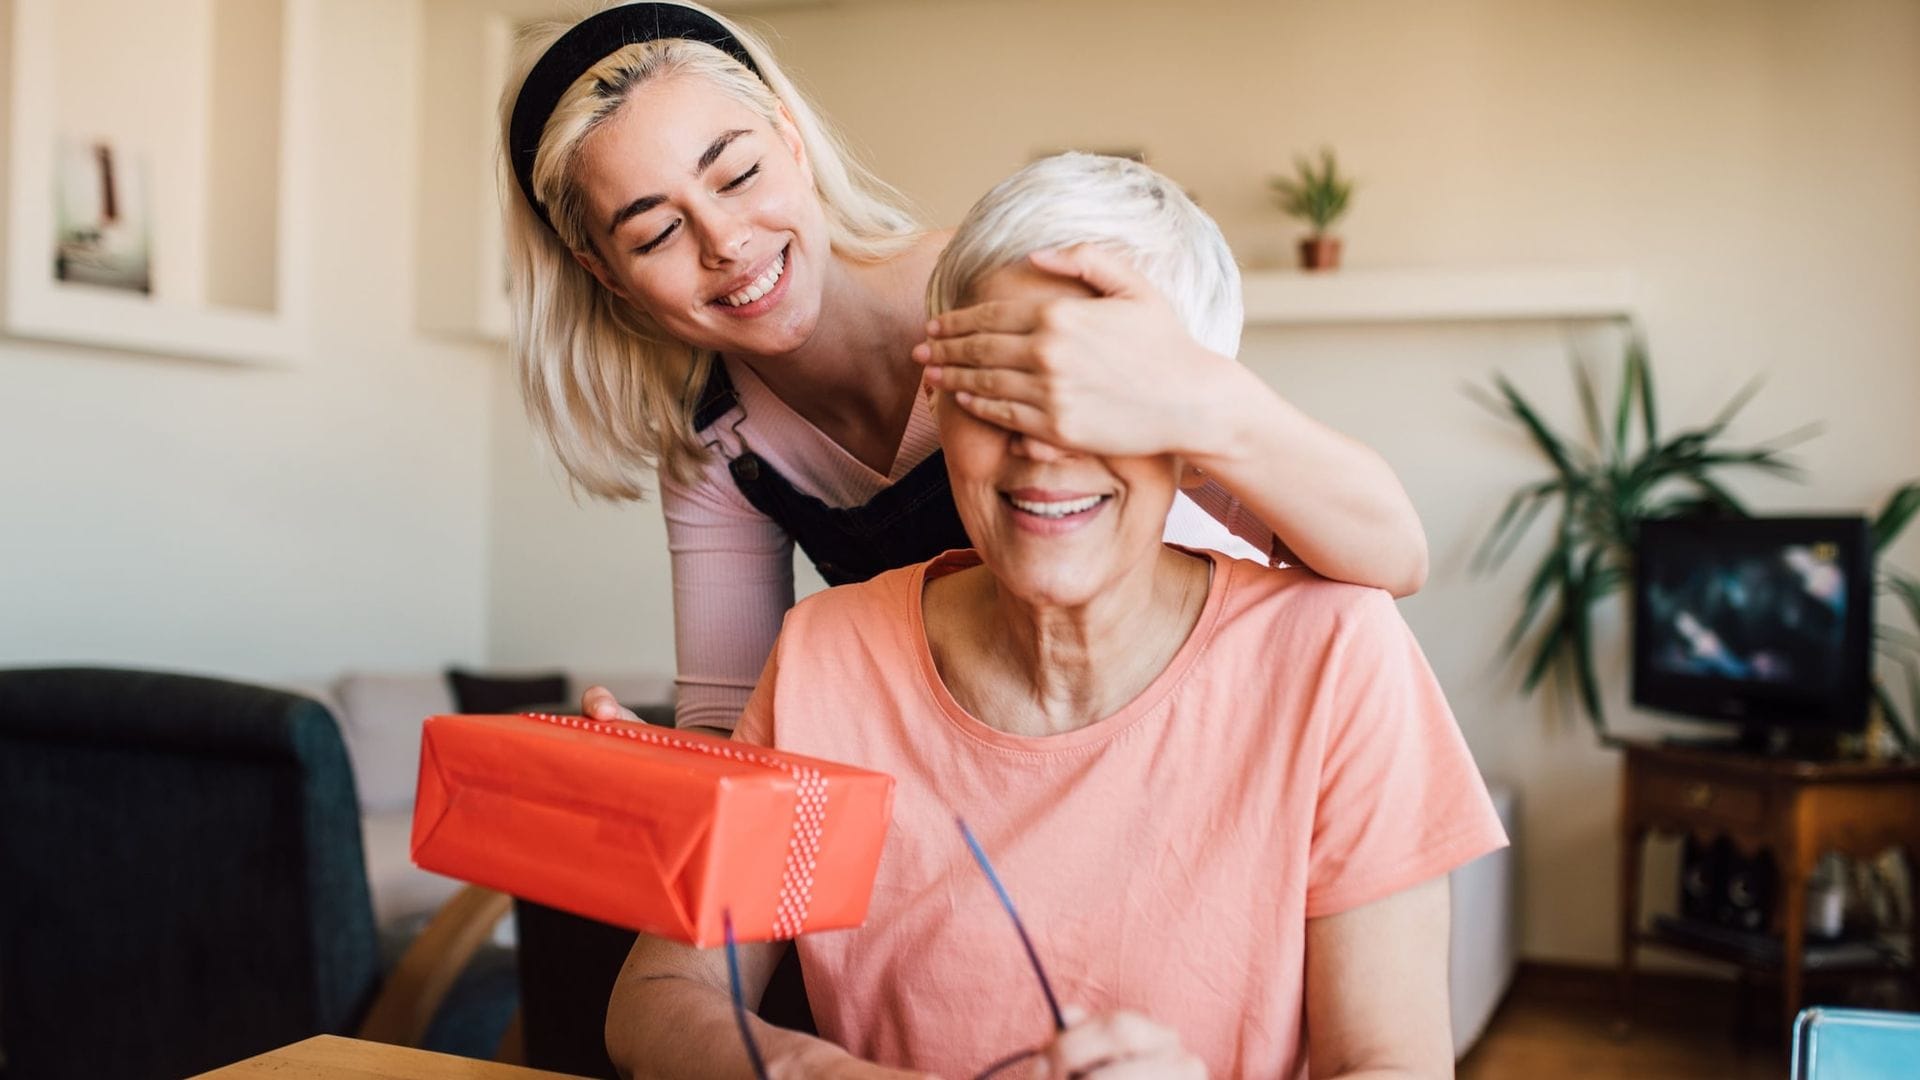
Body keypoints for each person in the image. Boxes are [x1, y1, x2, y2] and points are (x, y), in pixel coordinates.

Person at [604, 153, 1506, 1079]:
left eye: (1100, 399)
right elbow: (662, 1003)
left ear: (1196, 441)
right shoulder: (827, 658)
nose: (1042, 445)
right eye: (999, 385)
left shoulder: (1337, 659)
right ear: (938, 403)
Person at [499, 2, 1431, 733]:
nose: (727, 242)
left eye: (737, 174)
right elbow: (744, 728)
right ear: (603, 272)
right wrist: (658, 765)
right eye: (657, 231)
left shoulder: (1009, 295)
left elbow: (1390, 555)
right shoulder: (721, 450)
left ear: (789, 138)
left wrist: (1190, 396)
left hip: (1209, 703)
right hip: (1003, 750)